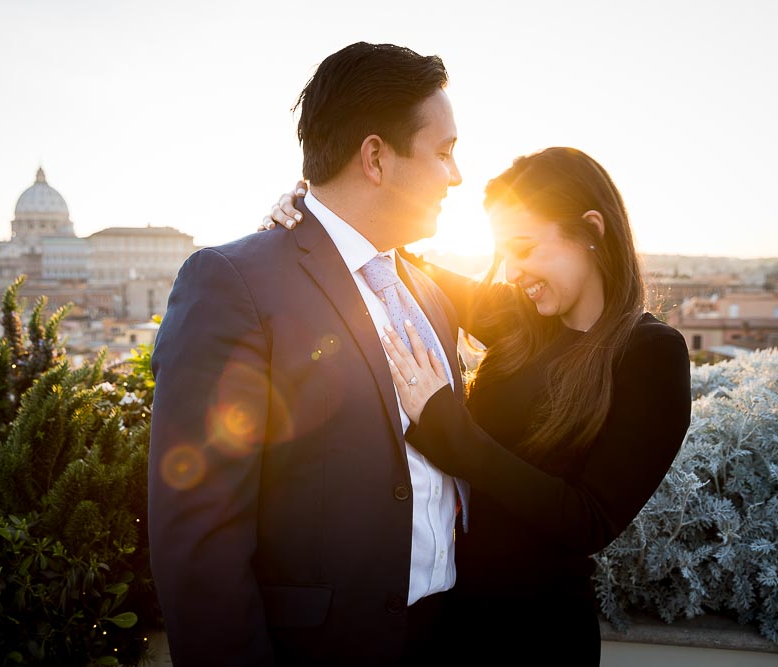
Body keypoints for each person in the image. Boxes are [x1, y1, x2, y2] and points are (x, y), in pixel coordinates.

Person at [265, 146, 693, 663]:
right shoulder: (520, 320)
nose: (512, 272)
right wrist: (313, 218)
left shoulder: (652, 354)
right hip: (445, 622)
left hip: (535, 636)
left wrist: (445, 422)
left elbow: (589, 520)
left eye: (525, 248)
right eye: (503, 253)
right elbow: (391, 263)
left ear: (591, 230)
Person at [148, 42, 469, 665]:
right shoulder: (233, 283)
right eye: (445, 151)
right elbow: (199, 536)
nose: (456, 175)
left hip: (446, 636)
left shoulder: (429, 293)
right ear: (375, 157)